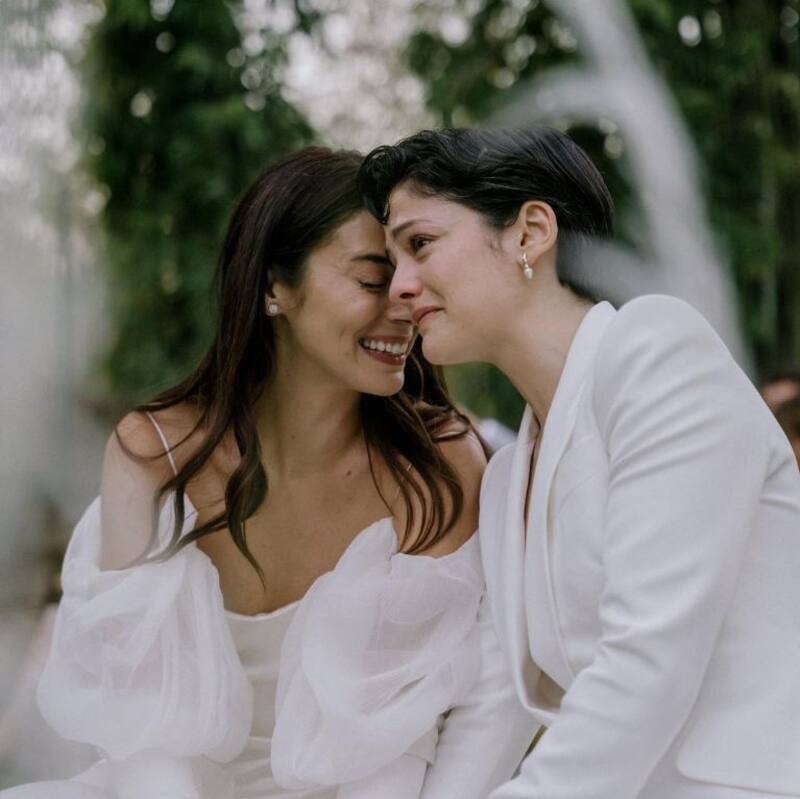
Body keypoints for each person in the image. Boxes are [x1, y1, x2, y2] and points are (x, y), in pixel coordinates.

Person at [1, 147, 535, 799]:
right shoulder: (156, 455)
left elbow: (401, 743)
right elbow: (140, 730)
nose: (404, 302)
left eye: (409, 277)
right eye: (373, 280)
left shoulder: (439, 467)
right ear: (274, 287)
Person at [358, 127, 800, 799]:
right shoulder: (506, 478)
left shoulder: (658, 352)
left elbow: (646, 663)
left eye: (420, 244)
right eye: (391, 263)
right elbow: (497, 705)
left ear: (531, 232)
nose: (400, 288)